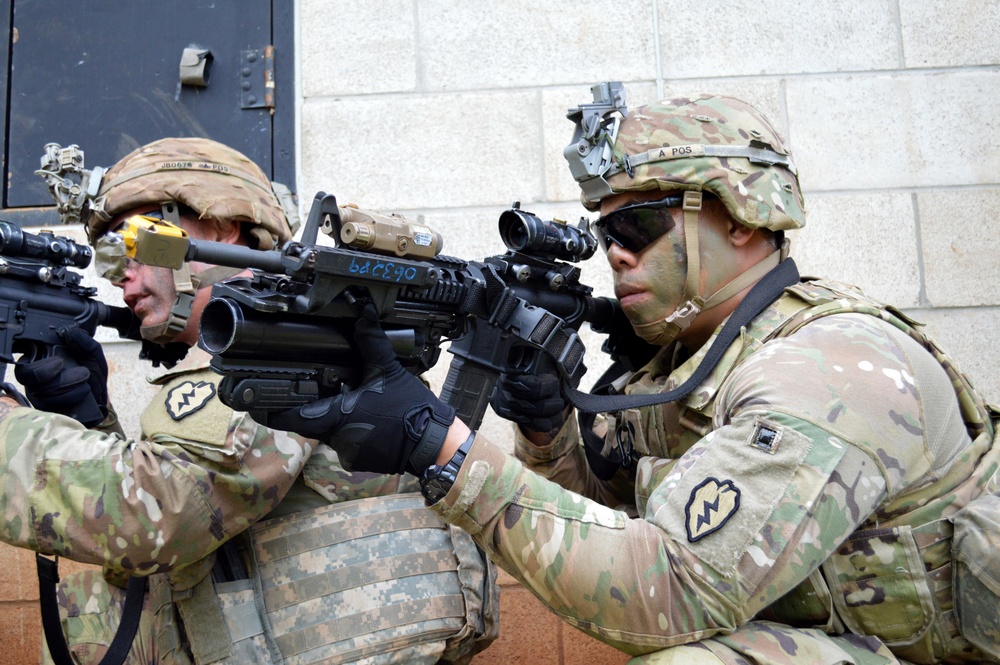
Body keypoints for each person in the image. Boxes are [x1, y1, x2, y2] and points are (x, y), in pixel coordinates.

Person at [257, 86, 1000, 664]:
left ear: (738, 218)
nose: (614, 254)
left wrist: (440, 446)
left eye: (636, 228)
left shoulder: (826, 369)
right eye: (605, 234)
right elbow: (612, 525)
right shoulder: (681, 356)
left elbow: (664, 590)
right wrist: (549, 435)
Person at [0, 137, 497, 664]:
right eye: (108, 256)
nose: (122, 272)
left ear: (218, 228)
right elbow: (159, 549)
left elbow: (164, 516)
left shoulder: (290, 340)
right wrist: (87, 420)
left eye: (136, 242)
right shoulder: (244, 357)